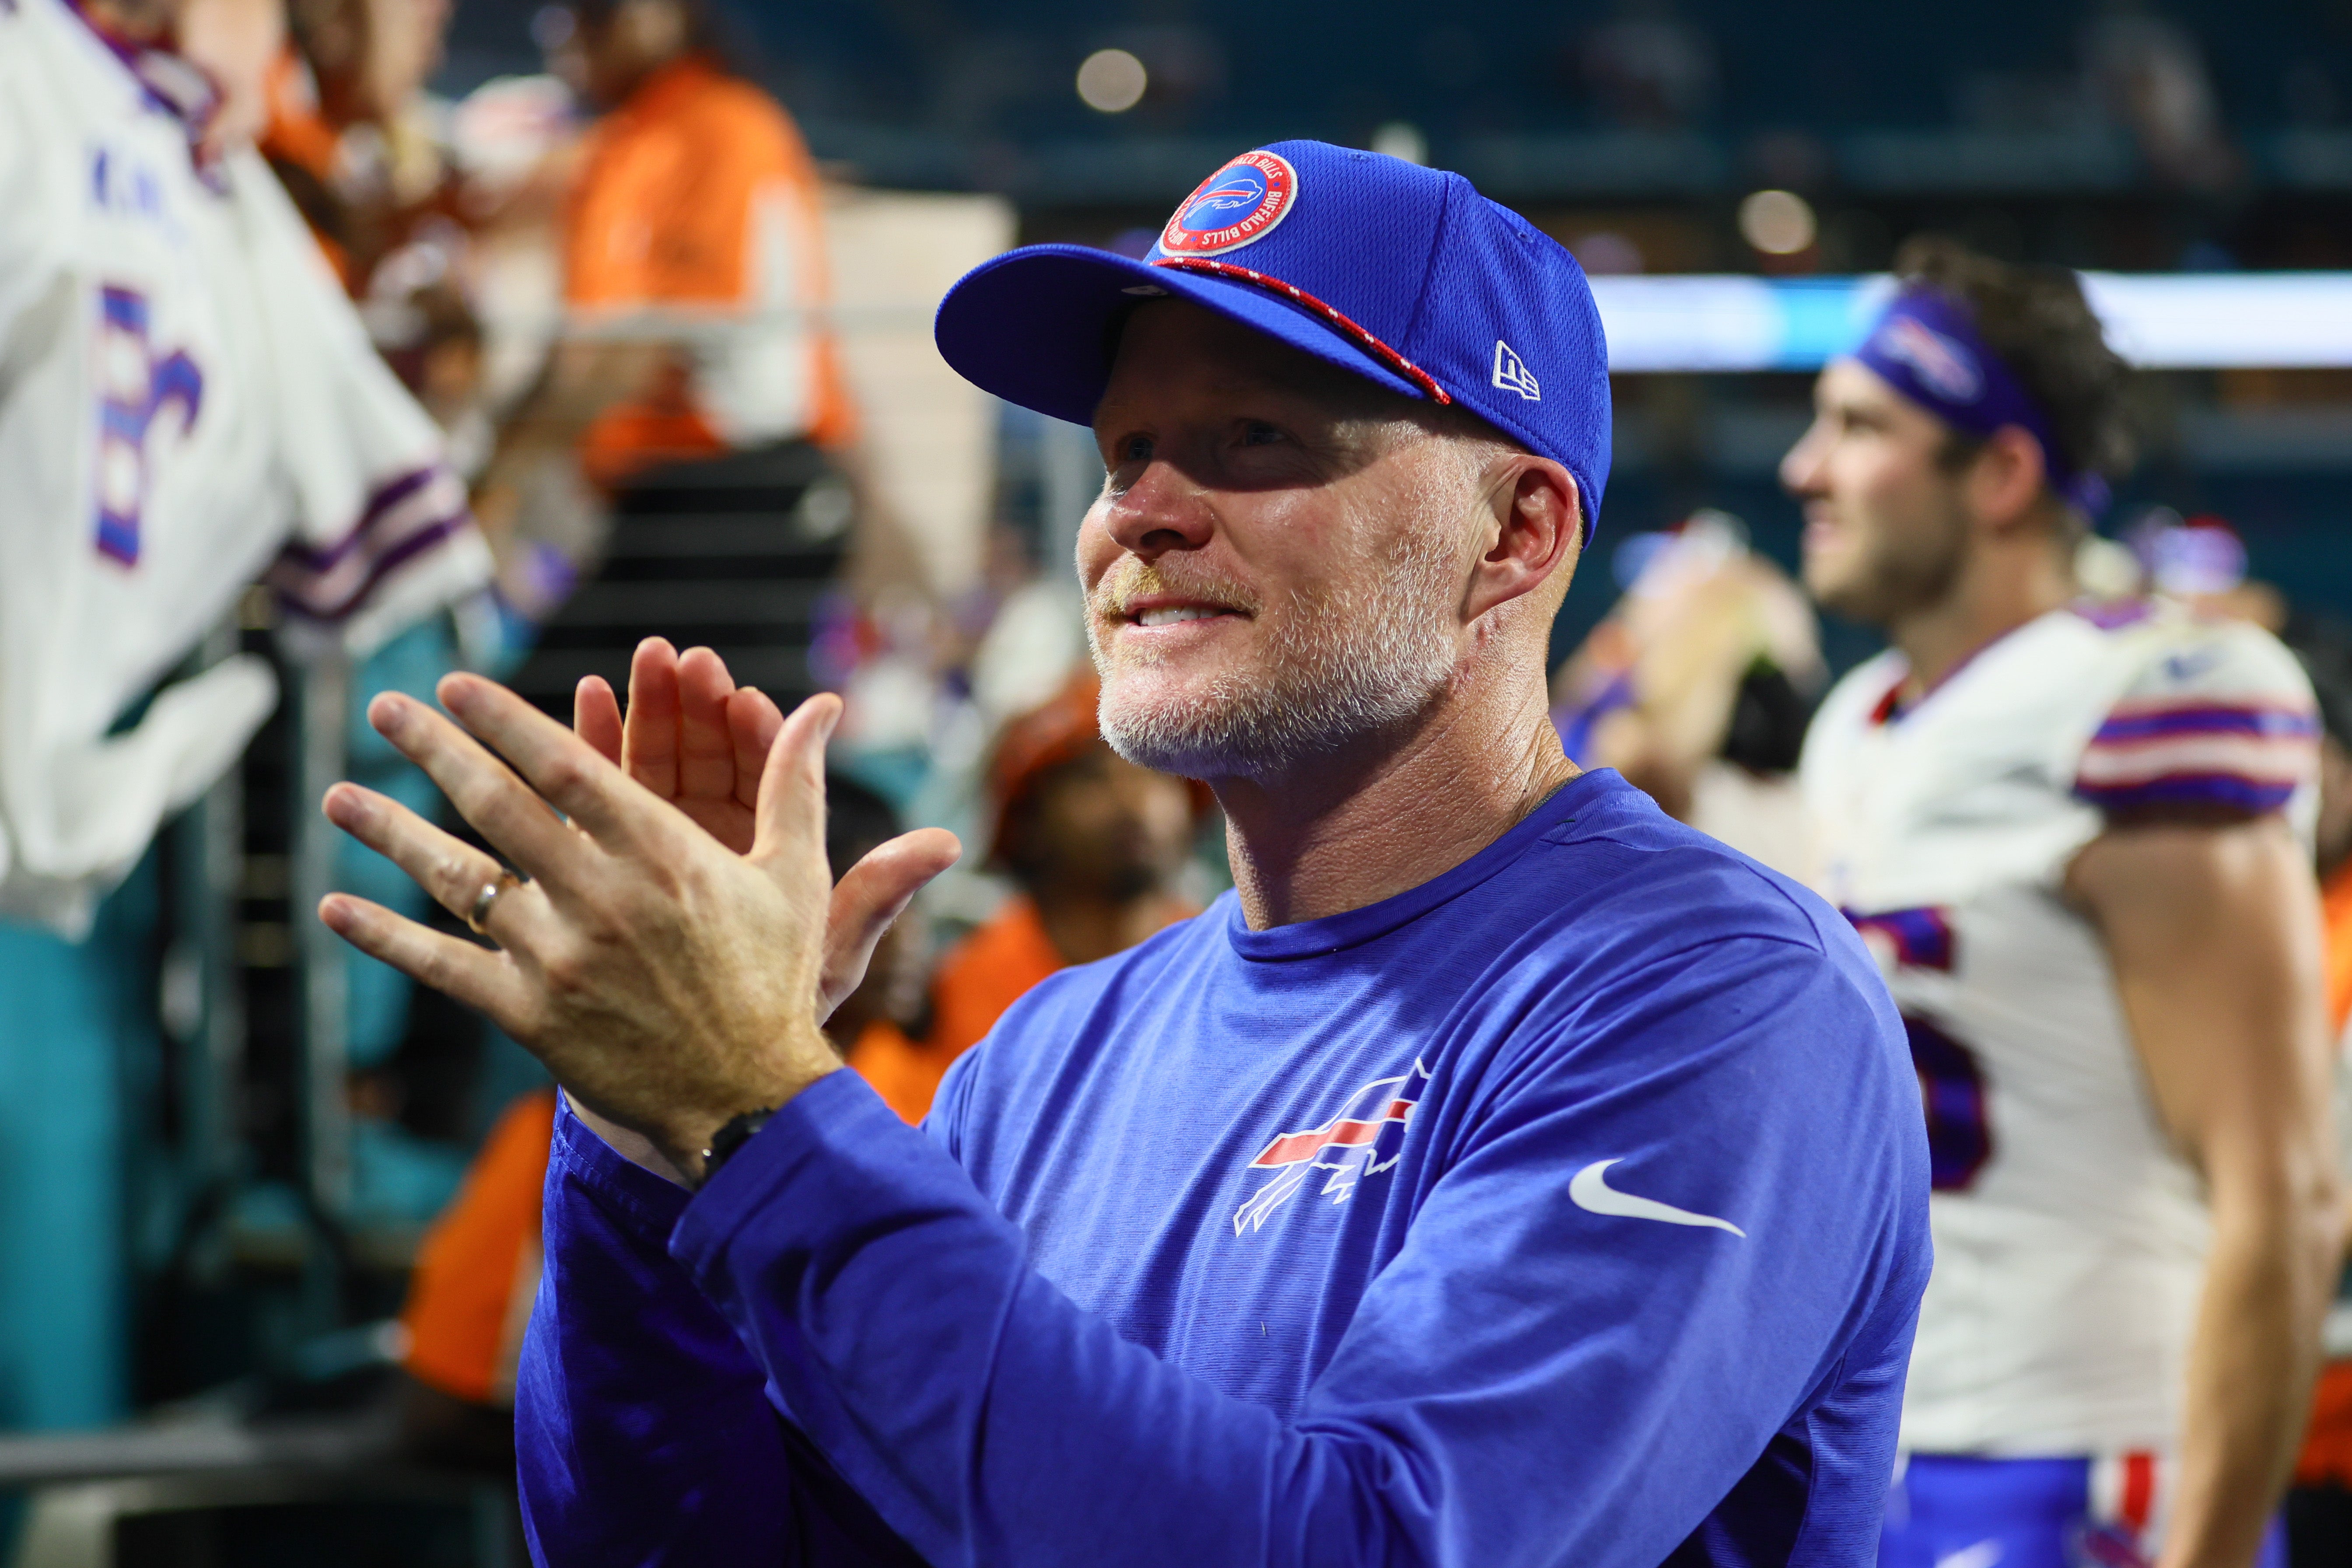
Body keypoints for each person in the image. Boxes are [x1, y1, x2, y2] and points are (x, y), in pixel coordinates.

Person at [318, 140, 1931, 1565]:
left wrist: (762, 1114)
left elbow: (1376, 1543)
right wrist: (644, 1124)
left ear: (1511, 534)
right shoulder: (1049, 1053)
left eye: (1248, 437)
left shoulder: (1709, 999)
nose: (1138, 511)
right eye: (1121, 448)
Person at [1785, 236, 2339, 1568]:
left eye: (1860, 427)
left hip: (2088, 1473)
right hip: (1886, 1459)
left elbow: (2285, 1189)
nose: (1805, 468)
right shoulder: (1854, 726)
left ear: (2002, 473)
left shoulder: (2143, 700)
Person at [396, 643, 920, 1462]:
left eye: (910, 907)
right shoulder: (578, 1126)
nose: (911, 938)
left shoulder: (952, 1090)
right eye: (875, 895)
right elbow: (440, 1392)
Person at [472, 0, 851, 531]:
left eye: (599, 10)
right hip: (647, 487)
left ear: (674, 16)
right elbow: (582, 343)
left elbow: (654, 336)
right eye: (562, 13)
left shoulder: (727, 127)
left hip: (745, 481)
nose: (571, 31)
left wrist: (505, 474)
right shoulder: (619, 148)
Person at [892, 672, 1199, 1119]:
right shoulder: (963, 993)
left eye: (1157, 769)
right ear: (1029, 824)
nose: (1137, 800)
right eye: (1093, 778)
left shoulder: (1236, 955)